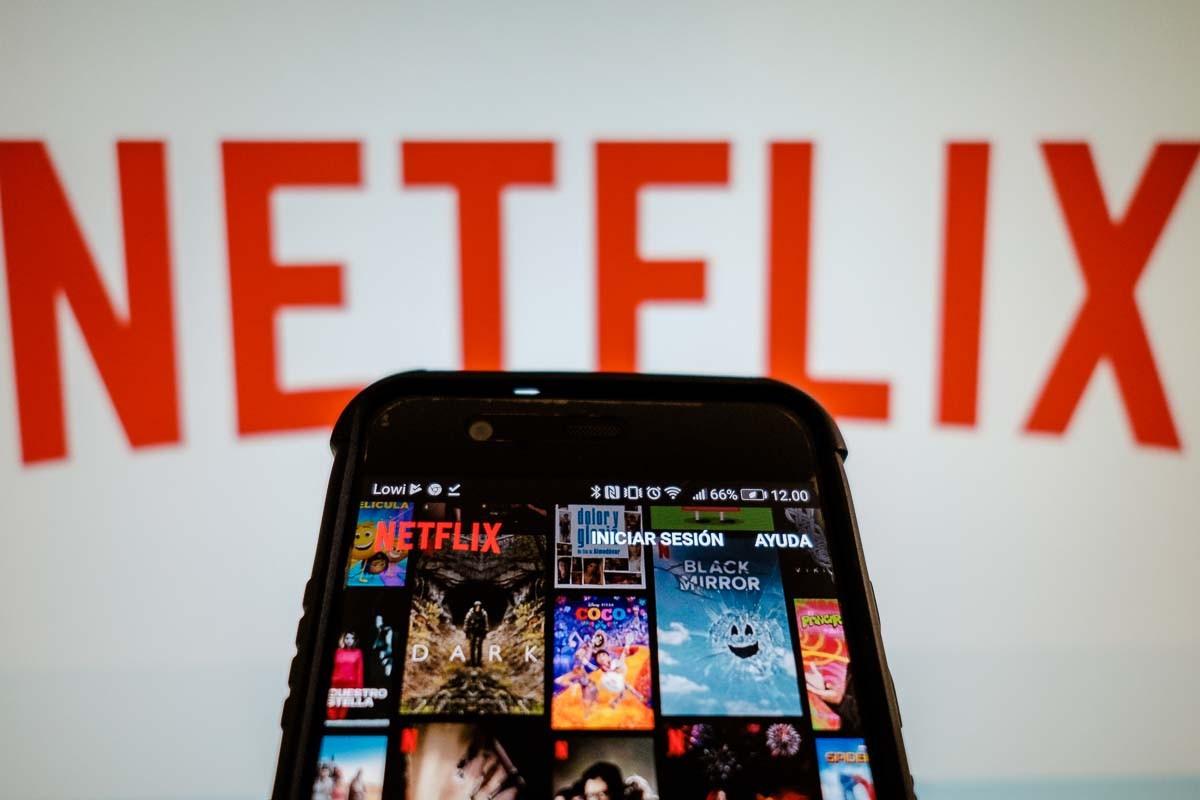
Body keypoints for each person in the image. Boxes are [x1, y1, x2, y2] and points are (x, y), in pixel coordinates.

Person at [327, 631, 363, 720]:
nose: (349, 640)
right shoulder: (338, 652)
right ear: (343, 639)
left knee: (344, 706)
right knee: (332, 705)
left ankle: (339, 723)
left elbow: (359, 670)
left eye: (352, 638)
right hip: (336, 682)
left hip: (350, 683)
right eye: (347, 638)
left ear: (355, 640)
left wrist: (359, 687)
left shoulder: (358, 652)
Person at [463, 600, 490, 666]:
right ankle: (472, 661)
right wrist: (466, 628)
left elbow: (486, 623)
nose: (477, 608)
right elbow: (466, 621)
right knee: (472, 646)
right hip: (473, 631)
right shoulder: (470, 613)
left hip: (480, 631)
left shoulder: (483, 614)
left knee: (479, 645)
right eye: (476, 606)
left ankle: (478, 661)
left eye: (479, 607)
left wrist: (486, 630)